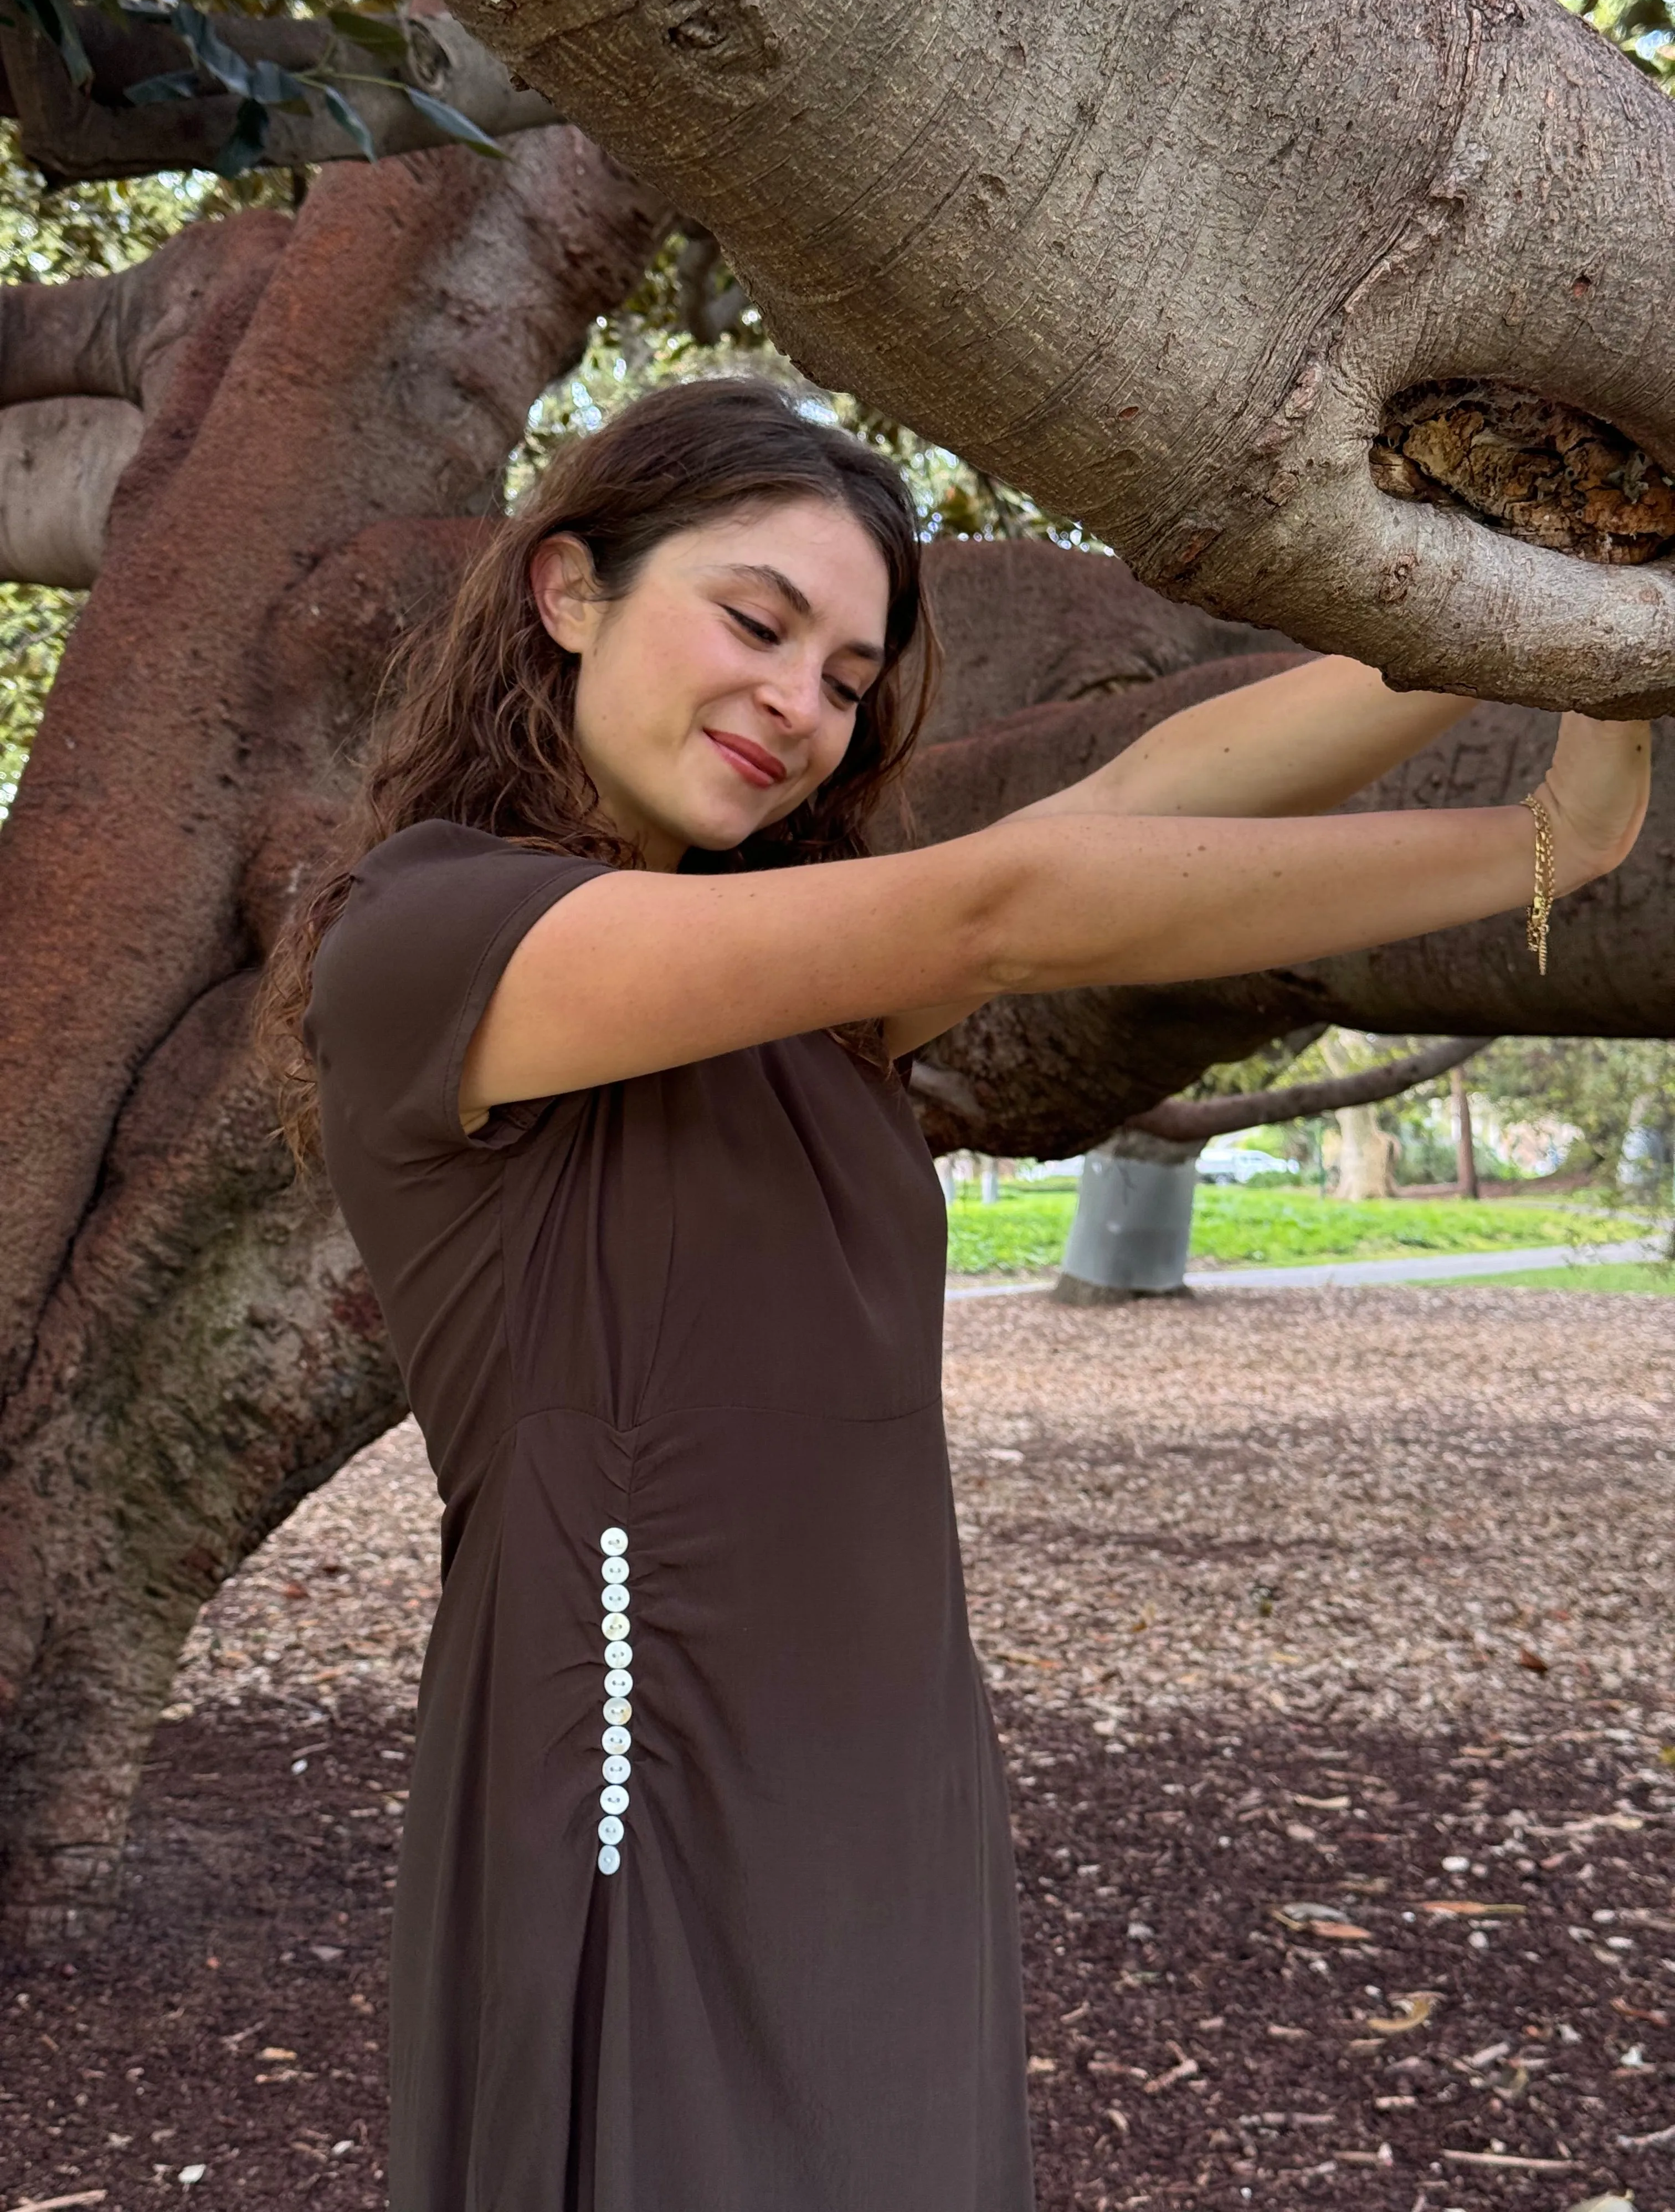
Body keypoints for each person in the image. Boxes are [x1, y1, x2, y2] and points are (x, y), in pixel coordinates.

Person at [259, 376, 1651, 2212]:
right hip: (642, 1766)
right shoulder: (433, 939)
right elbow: (1015, 904)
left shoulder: (798, 993)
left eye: (846, 680)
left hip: (880, 1753)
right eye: (757, 622)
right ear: (567, 591)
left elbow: (1137, 801)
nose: (798, 707)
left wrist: (1532, 618)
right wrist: (1540, 845)